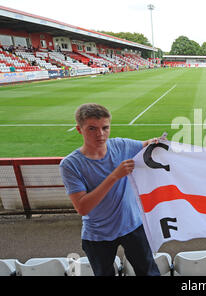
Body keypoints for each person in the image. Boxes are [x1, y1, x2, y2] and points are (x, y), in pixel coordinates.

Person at [59, 103, 162, 276]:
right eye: (92, 128)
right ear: (79, 129)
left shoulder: (121, 145)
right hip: (97, 234)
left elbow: (147, 145)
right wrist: (114, 176)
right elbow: (82, 208)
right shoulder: (70, 164)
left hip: (132, 226)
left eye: (105, 128)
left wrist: (157, 143)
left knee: (149, 272)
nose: (100, 134)